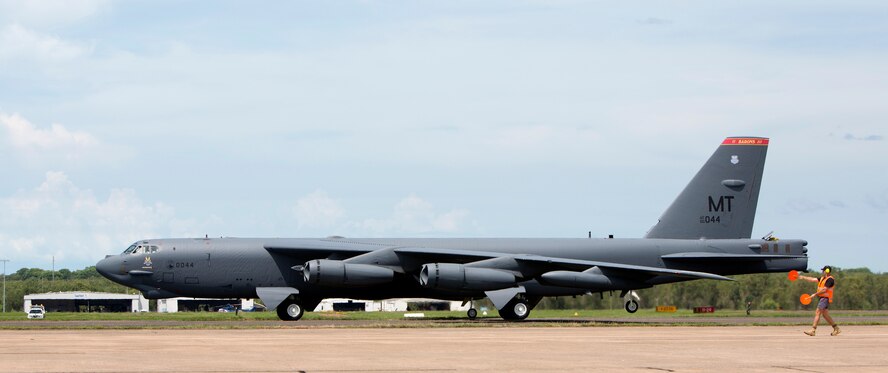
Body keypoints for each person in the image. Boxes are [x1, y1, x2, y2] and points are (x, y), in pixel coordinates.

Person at [798, 266, 840, 336]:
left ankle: (813, 330)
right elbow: (812, 279)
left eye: (823, 270)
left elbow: (824, 290)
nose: (822, 272)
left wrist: (815, 294)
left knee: (818, 312)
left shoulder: (830, 280)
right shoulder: (823, 279)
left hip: (825, 298)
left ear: (826, 271)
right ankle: (836, 328)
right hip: (822, 298)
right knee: (825, 315)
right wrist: (802, 277)